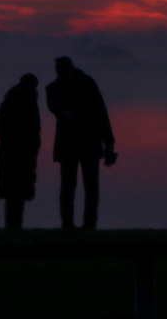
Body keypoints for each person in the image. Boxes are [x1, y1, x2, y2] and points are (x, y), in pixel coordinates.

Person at [45, 55, 117, 229]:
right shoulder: (54, 89)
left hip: (87, 142)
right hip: (72, 144)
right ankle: (68, 223)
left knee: (89, 186)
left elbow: (101, 111)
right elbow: (56, 108)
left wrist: (109, 142)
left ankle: (89, 223)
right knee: (70, 186)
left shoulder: (87, 84)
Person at [0, 73, 41, 229]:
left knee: (16, 192)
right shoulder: (20, 102)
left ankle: (13, 225)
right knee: (15, 192)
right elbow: (1, 127)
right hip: (16, 152)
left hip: (21, 152)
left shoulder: (23, 101)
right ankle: (13, 225)